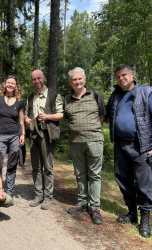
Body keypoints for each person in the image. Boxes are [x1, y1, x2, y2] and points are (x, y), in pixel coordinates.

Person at [106, 64, 152, 238]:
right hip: (120, 145)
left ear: (132, 74)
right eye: (118, 76)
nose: (121, 78)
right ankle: (132, 213)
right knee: (123, 179)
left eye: (124, 75)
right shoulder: (115, 95)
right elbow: (106, 114)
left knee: (142, 184)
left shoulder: (147, 92)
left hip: (142, 146)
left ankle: (145, 219)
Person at [64, 67, 105, 224]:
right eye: (74, 79)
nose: (77, 81)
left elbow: (102, 115)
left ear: (84, 79)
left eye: (80, 79)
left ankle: (95, 208)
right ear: (70, 82)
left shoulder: (95, 95)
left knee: (94, 174)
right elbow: (65, 116)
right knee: (80, 174)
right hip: (75, 142)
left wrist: (94, 130)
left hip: (94, 140)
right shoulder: (67, 99)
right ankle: (82, 202)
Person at [25, 70, 64, 210]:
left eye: (39, 78)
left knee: (47, 167)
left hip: (48, 134)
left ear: (44, 78)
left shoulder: (54, 95)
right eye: (34, 79)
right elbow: (25, 114)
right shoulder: (30, 97)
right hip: (34, 134)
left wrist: (47, 117)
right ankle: (38, 195)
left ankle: (48, 197)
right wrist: (26, 119)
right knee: (36, 167)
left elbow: (61, 114)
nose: (36, 81)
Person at [0, 75, 25, 197]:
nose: (10, 85)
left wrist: (23, 134)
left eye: (13, 83)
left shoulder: (19, 102)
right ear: (4, 84)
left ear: (16, 86)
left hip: (14, 137)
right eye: (8, 82)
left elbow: (21, 121)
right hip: (0, 136)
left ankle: (9, 192)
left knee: (12, 165)